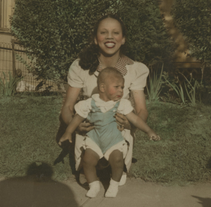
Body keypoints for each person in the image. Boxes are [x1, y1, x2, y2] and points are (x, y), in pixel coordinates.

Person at [60, 13, 150, 188]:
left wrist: (132, 125)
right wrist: (74, 124)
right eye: (104, 32)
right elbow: (67, 107)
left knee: (118, 142)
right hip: (91, 127)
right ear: (95, 39)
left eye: (116, 33)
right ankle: (90, 166)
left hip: (118, 128)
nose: (110, 37)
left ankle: (118, 166)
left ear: (123, 39)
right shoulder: (80, 67)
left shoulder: (135, 69)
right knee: (88, 157)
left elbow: (142, 109)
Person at [59, 67, 160, 198]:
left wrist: (149, 131)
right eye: (117, 87)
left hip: (114, 140)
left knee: (117, 159)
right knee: (88, 161)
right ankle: (94, 184)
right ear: (102, 88)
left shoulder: (122, 104)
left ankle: (114, 184)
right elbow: (77, 118)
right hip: (94, 139)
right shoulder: (89, 103)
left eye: (122, 87)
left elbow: (135, 119)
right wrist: (68, 132)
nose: (121, 91)